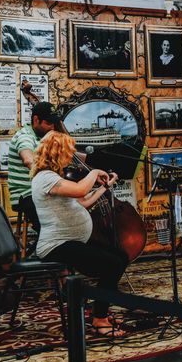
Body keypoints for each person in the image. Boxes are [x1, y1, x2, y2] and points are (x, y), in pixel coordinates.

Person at [30, 131, 129, 336]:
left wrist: (105, 186)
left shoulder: (53, 177)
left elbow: (82, 201)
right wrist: (94, 173)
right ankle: (99, 319)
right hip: (56, 245)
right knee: (113, 264)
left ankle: (99, 310)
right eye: (69, 151)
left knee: (120, 256)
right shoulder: (45, 177)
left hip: (69, 241)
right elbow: (80, 191)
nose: (72, 156)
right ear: (58, 152)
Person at [7, 101, 59, 211]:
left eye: (54, 123)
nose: (53, 127)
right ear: (36, 120)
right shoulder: (25, 136)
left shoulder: (43, 137)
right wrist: (51, 179)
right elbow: (28, 160)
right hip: (25, 194)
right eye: (49, 123)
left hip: (40, 191)